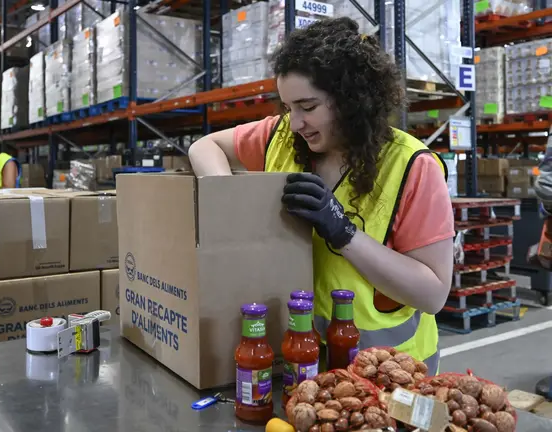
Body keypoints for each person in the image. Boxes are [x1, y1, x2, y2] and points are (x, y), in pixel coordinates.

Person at [188, 17, 454, 372]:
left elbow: (433, 293)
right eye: (288, 108)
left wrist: (345, 235)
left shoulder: (412, 166)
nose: (295, 122)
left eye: (308, 107)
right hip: (302, 360)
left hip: (392, 370)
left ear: (351, 100)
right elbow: (203, 147)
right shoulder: (281, 137)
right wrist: (230, 204)